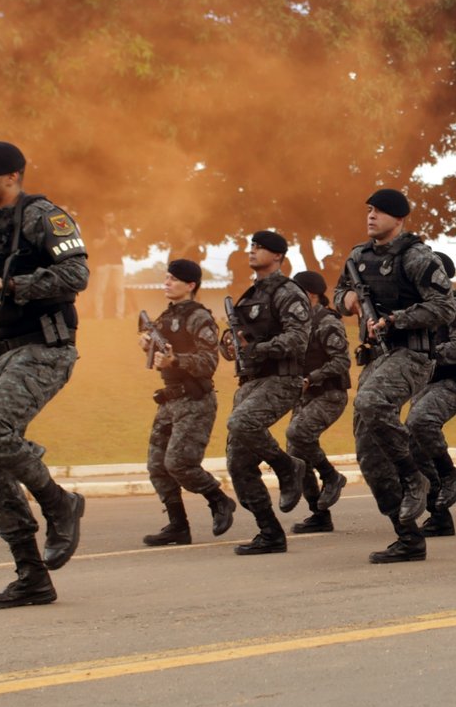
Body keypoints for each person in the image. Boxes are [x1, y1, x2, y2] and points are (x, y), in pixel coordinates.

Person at [0, 141, 87, 610]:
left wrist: (13, 284)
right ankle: (32, 577)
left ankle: (59, 502)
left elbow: (76, 274)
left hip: (44, 348)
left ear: (11, 176)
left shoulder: (42, 216)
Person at [335, 189, 455, 563]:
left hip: (412, 353)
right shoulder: (359, 256)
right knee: (368, 453)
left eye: (380, 211)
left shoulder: (418, 256)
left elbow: (444, 306)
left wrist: (395, 319)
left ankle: (414, 474)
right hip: (376, 357)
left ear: (399, 219)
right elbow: (339, 292)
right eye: (369, 209)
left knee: (370, 401)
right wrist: (349, 302)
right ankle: (408, 537)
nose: (371, 216)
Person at [222, 230, 311, 554]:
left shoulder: (288, 292)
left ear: (278, 256)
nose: (253, 251)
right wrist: (232, 344)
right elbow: (239, 343)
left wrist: (257, 349)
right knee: (237, 463)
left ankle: (288, 466)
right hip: (251, 382)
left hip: (281, 379)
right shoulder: (249, 295)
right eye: (252, 246)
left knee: (241, 424)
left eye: (260, 247)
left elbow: (298, 340)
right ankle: (270, 533)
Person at [139, 258, 236, 546]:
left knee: (179, 463)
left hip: (195, 399)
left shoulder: (200, 317)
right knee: (157, 465)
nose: (166, 283)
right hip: (170, 400)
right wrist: (148, 346)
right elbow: (160, 353)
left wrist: (175, 360)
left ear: (190, 285)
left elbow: (209, 362)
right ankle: (177, 525)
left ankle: (219, 500)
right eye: (166, 278)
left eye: (173, 279)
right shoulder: (166, 317)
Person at [406, 251, 456, 538]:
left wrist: (429, 354)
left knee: (420, 422)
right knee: (413, 445)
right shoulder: (417, 307)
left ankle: (450, 475)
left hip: (454, 382)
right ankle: (439, 515)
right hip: (425, 382)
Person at [285, 271, 353, 535]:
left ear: (311, 295)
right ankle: (319, 514)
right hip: (305, 396)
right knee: (295, 454)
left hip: (329, 394)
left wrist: (311, 378)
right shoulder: (297, 323)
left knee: (298, 432)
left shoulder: (327, 322)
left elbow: (341, 362)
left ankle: (331, 476)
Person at [87, 213, 128, 320]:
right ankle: (99, 315)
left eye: (111, 217)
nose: (109, 219)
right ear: (104, 218)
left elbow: (124, 242)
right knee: (100, 290)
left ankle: (120, 315)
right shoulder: (98, 229)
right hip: (103, 263)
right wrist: (106, 238)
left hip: (117, 262)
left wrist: (115, 236)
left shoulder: (119, 228)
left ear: (114, 218)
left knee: (120, 289)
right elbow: (95, 245)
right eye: (107, 217)